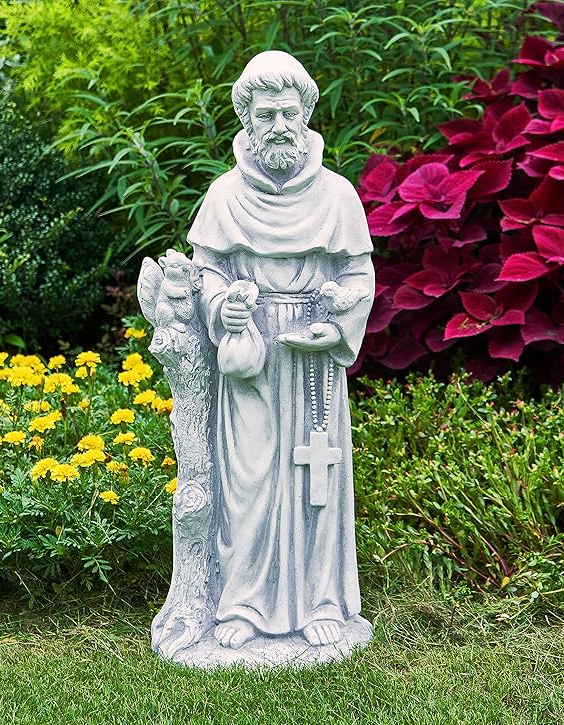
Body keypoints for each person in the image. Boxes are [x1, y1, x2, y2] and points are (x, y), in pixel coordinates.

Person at [188, 50, 375, 650]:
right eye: (265, 114)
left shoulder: (338, 196)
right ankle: (241, 604)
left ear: (305, 115)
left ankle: (321, 601)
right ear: (247, 120)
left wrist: (337, 324)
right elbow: (204, 272)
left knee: (315, 479)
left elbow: (359, 276)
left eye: (288, 112)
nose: (278, 126)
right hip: (252, 361)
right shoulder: (224, 196)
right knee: (248, 485)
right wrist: (223, 306)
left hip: (313, 362)